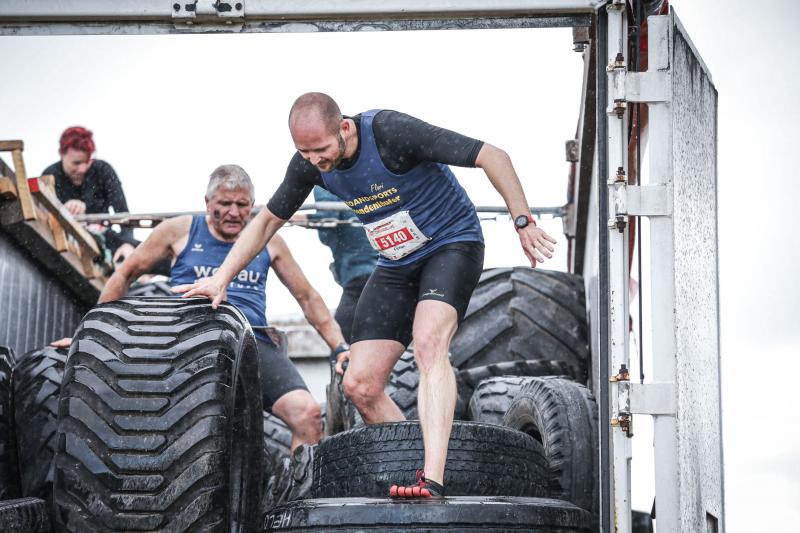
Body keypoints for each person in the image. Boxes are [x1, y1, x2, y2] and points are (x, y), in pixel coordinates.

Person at [175, 93, 557, 498]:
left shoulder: (391, 133)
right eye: (305, 153)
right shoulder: (309, 163)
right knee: (359, 384)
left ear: (344, 128)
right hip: (395, 261)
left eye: (321, 150)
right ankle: (415, 469)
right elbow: (268, 219)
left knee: (429, 344)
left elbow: (492, 155)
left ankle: (434, 478)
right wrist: (221, 278)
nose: (315, 161)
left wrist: (523, 222)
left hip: (451, 245)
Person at [97, 164, 348, 450]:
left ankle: (298, 479)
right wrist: (96, 333)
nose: (234, 212)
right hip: (190, 339)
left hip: (252, 341)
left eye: (242, 205)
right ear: (208, 202)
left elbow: (307, 297)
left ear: (252, 205)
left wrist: (339, 347)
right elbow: (125, 273)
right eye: (225, 204)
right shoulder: (178, 230)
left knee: (307, 414)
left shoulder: (269, 240)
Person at [292, 185, 378, 346]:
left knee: (340, 343)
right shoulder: (362, 184)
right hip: (382, 276)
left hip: (359, 280)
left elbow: (326, 218)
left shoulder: (325, 184)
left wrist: (280, 216)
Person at [42, 126, 137, 263]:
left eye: (87, 161)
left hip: (105, 242)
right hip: (64, 244)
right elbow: (43, 217)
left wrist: (127, 243)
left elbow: (123, 212)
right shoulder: (49, 176)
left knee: (155, 253)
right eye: (76, 163)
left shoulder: (103, 171)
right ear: (62, 154)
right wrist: (63, 209)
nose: (82, 169)